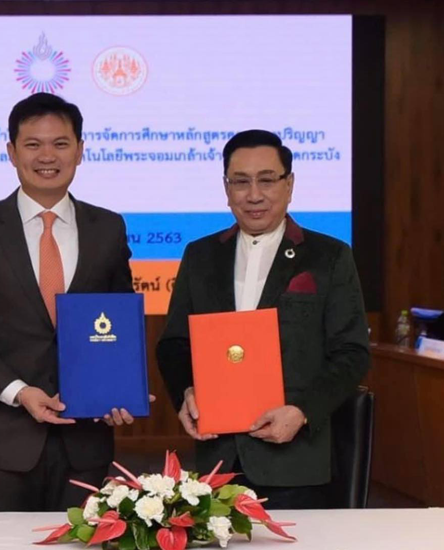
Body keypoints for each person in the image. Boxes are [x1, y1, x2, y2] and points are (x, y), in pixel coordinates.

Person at [0, 93, 138, 511]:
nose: (47, 156)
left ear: (80, 151)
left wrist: (120, 389)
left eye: (61, 144)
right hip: (5, 440)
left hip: (87, 438)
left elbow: (118, 321)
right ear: (12, 152)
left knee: (82, 539)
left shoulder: (108, 227)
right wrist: (18, 392)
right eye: (33, 144)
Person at [156, 130, 370, 509]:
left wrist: (302, 412)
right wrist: (186, 392)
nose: (254, 195)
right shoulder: (200, 255)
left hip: (296, 464)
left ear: (289, 184)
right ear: (226, 188)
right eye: (240, 182)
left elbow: (352, 354)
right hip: (217, 461)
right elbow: (174, 343)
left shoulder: (329, 256)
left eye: (267, 180)